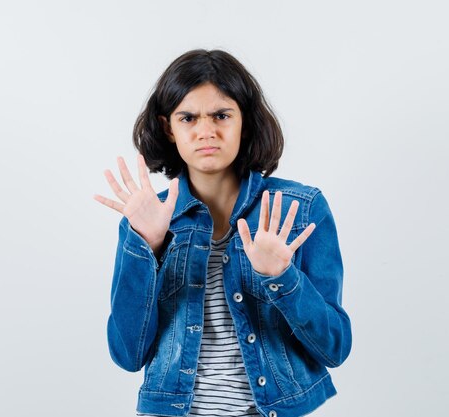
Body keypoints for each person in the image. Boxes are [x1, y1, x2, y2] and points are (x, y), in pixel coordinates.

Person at [93, 49, 351, 417]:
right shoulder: (145, 220)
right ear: (169, 127)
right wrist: (146, 246)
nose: (206, 131)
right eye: (188, 118)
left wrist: (281, 276)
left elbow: (334, 347)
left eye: (221, 115)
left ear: (244, 121)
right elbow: (127, 355)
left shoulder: (301, 209)